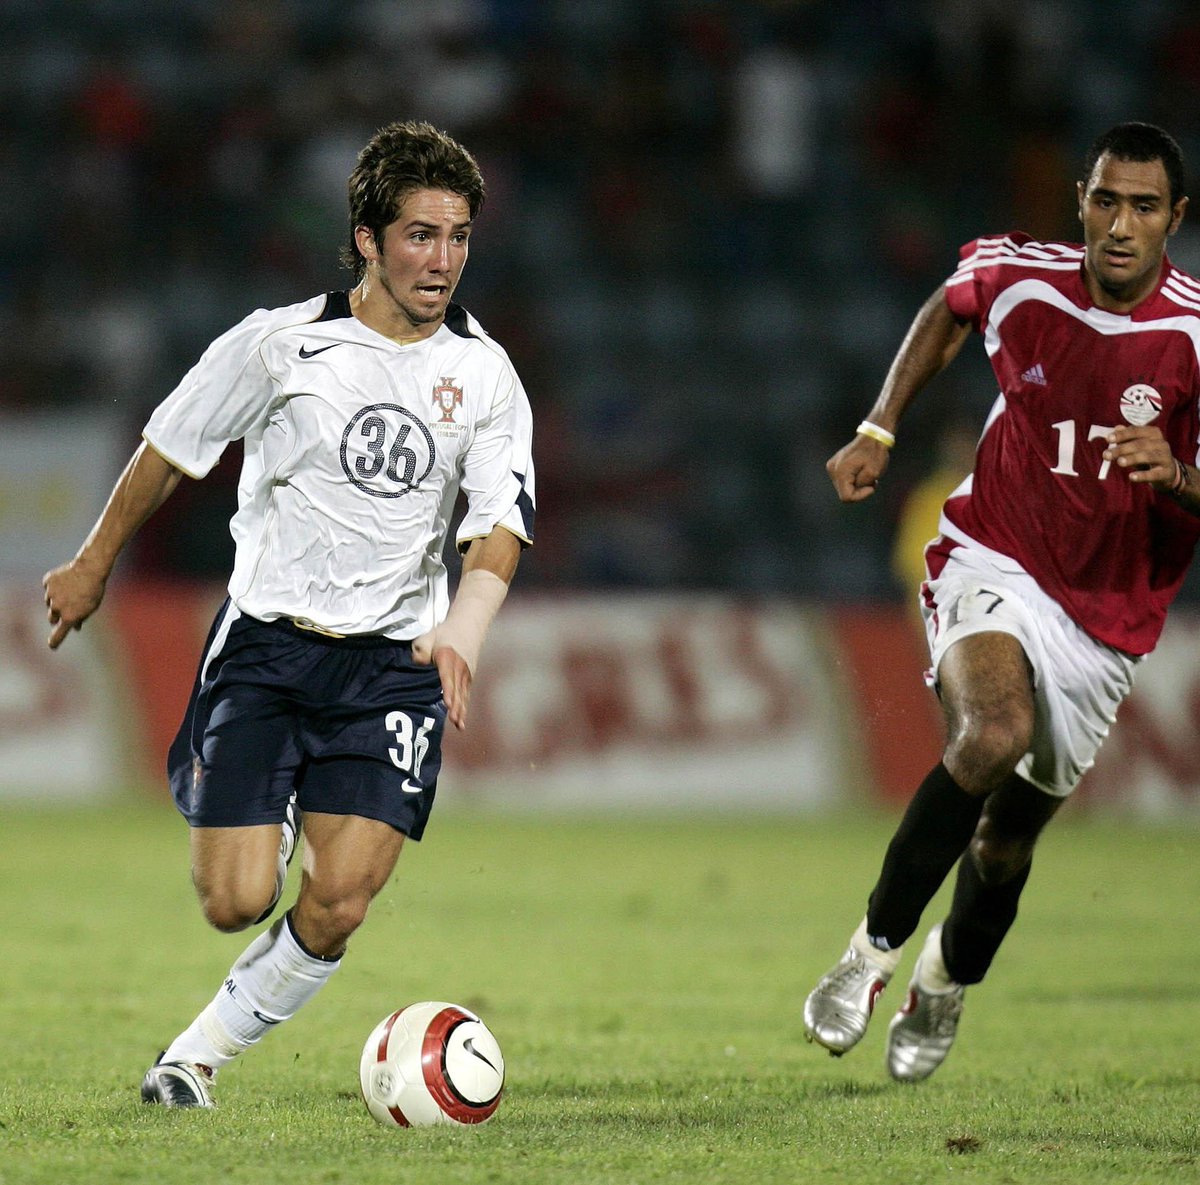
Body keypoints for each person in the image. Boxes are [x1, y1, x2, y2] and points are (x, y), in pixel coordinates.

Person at [42, 120, 535, 1108]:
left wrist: (464, 633)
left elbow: (499, 528)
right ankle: (256, 827)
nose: (443, 261)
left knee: (342, 899)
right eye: (421, 236)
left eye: (459, 238)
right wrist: (96, 561)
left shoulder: (485, 376)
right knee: (235, 901)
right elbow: (170, 446)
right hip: (267, 648)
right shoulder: (280, 343)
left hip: (393, 664)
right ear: (366, 237)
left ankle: (192, 1059)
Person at [804, 121, 1200, 1082]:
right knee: (991, 733)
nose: (1120, 224)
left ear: (1174, 220)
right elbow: (947, 309)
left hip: (1107, 615)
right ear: (1081, 200)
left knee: (1006, 841)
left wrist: (1181, 476)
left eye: (1143, 207)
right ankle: (867, 957)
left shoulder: (1194, 333)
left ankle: (942, 979)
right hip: (995, 551)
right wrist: (879, 427)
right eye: (1105, 199)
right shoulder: (1022, 275)